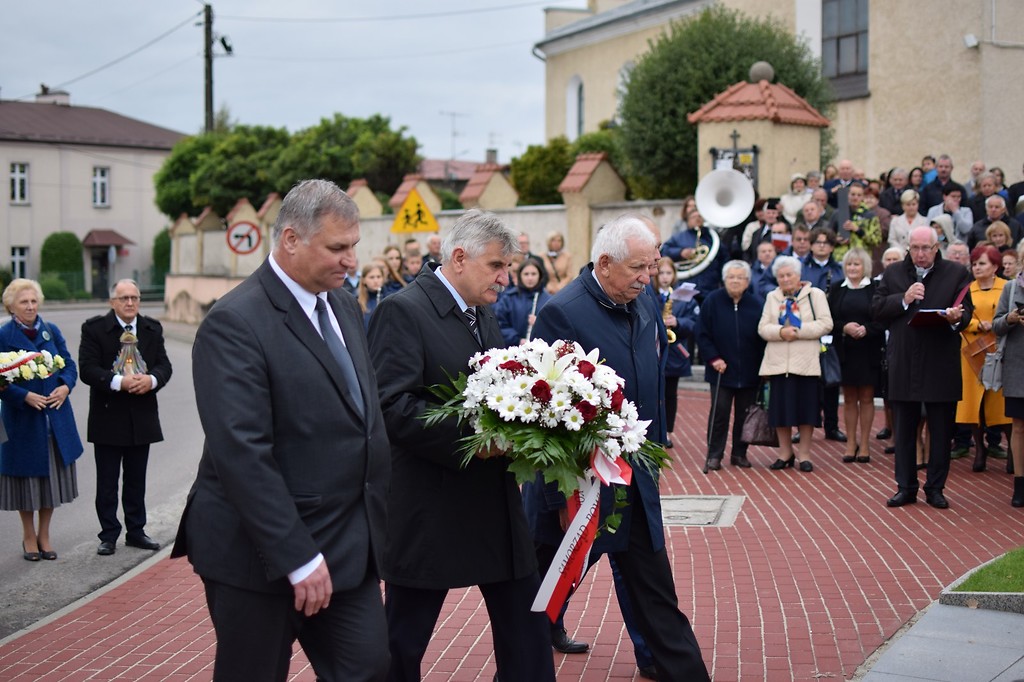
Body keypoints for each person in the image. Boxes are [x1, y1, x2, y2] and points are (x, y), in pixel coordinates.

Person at [170, 179, 391, 681]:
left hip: (346, 547)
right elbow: (243, 454)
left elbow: (363, 420)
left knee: (371, 668)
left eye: (354, 246)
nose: (351, 260)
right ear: (291, 239)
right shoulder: (234, 323)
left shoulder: (341, 307)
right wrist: (297, 557)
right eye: (338, 248)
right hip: (259, 554)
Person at [368, 210, 555, 682]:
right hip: (431, 503)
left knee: (527, 625)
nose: (505, 277)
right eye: (496, 265)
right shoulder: (402, 310)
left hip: (493, 501)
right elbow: (392, 407)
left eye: (508, 266)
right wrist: (478, 441)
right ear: (458, 258)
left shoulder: (483, 309)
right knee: (404, 639)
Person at [527, 214, 710, 681]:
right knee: (541, 596)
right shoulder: (560, 312)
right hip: (576, 487)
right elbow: (545, 410)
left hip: (633, 472)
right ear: (604, 263)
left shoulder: (643, 294)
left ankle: (679, 669)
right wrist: (559, 498)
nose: (647, 279)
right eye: (637, 269)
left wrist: (656, 445)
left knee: (653, 585)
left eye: (651, 267)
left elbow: (653, 367)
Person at [872, 226, 971, 509]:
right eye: (914, 248)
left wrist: (955, 317)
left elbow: (966, 313)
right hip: (904, 362)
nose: (919, 254)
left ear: (936, 247)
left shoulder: (956, 273)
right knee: (904, 430)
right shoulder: (893, 274)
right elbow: (877, 310)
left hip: (940, 361)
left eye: (925, 248)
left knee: (940, 431)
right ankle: (905, 487)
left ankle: (935, 488)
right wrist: (903, 299)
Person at [79, 279, 173, 556]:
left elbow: (164, 365)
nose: (130, 303)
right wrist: (119, 382)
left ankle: (136, 531)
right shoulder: (95, 328)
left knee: (136, 479)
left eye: (134, 298)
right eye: (124, 298)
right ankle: (108, 534)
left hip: (141, 416)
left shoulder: (151, 329)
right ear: (113, 302)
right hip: (108, 416)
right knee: (107, 481)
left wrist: (153, 380)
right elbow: (87, 369)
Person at [0, 279, 82, 562]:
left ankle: (44, 534)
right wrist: (22, 396)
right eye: (24, 302)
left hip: (54, 418)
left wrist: (65, 386)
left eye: (34, 301)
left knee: (51, 480)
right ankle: (28, 536)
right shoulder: (4, 334)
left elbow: (70, 365)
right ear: (11, 306)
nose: (31, 306)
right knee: (27, 479)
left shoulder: (51, 331)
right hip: (23, 420)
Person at [757, 256, 833, 472]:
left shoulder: (815, 295)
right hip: (778, 364)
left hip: (806, 363)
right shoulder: (773, 297)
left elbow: (827, 323)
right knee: (780, 412)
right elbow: (763, 327)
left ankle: (805, 455)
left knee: (806, 411)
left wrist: (799, 332)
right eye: (781, 276)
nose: (785, 279)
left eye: (789, 275)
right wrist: (781, 332)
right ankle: (785, 452)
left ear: (799, 276)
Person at [697, 260, 766, 469]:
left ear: (747, 282)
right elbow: (702, 334)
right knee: (720, 413)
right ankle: (714, 454)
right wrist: (713, 358)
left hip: (749, 370)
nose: (735, 281)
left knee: (744, 415)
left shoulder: (756, 304)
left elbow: (763, 336)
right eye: (731, 277)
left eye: (740, 277)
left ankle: (739, 453)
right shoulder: (712, 301)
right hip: (720, 369)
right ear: (724, 280)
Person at [955, 244, 1011, 473]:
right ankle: (979, 448)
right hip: (973, 352)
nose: (977, 267)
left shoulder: (1007, 287)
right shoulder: (967, 289)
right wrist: (979, 325)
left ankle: (1014, 451)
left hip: (1000, 351)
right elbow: (958, 317)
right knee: (974, 403)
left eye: (982, 263)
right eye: (975, 263)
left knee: (1002, 402)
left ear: (995, 267)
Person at [828, 249, 883, 464]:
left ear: (865, 267)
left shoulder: (876, 289)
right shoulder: (837, 289)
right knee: (849, 398)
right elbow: (830, 320)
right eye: (849, 264)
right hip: (845, 351)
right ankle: (851, 442)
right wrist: (844, 328)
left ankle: (866, 444)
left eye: (857, 265)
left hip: (868, 350)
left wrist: (866, 330)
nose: (852, 268)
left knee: (867, 398)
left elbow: (882, 318)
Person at [992, 244, 1024, 506]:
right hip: (1016, 368)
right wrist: (1011, 318)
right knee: (1018, 426)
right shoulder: (1010, 288)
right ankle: (1020, 485)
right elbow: (996, 326)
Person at [655, 257, 699, 447]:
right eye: (661, 273)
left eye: (668, 273)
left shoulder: (684, 296)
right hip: (654, 350)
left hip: (675, 352)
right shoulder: (649, 293)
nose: (665, 277)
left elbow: (694, 323)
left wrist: (678, 322)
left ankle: (667, 431)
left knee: (670, 394)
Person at [494, 257, 551, 345]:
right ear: (520, 276)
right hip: (513, 350)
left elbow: (554, 328)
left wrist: (539, 323)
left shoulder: (548, 300)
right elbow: (500, 324)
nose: (530, 278)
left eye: (533, 274)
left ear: (540, 275)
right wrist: (518, 340)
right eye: (526, 274)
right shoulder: (509, 298)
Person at [540, 231, 574, 295]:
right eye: (553, 240)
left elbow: (570, 275)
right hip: (547, 291)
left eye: (559, 241)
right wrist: (548, 287)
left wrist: (559, 287)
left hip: (563, 290)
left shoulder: (567, 256)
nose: (556, 243)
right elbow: (540, 275)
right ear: (549, 242)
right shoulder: (542, 256)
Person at [357, 262, 387, 330]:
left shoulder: (389, 298)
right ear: (364, 280)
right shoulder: (357, 301)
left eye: (378, 277)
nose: (376, 281)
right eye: (371, 277)